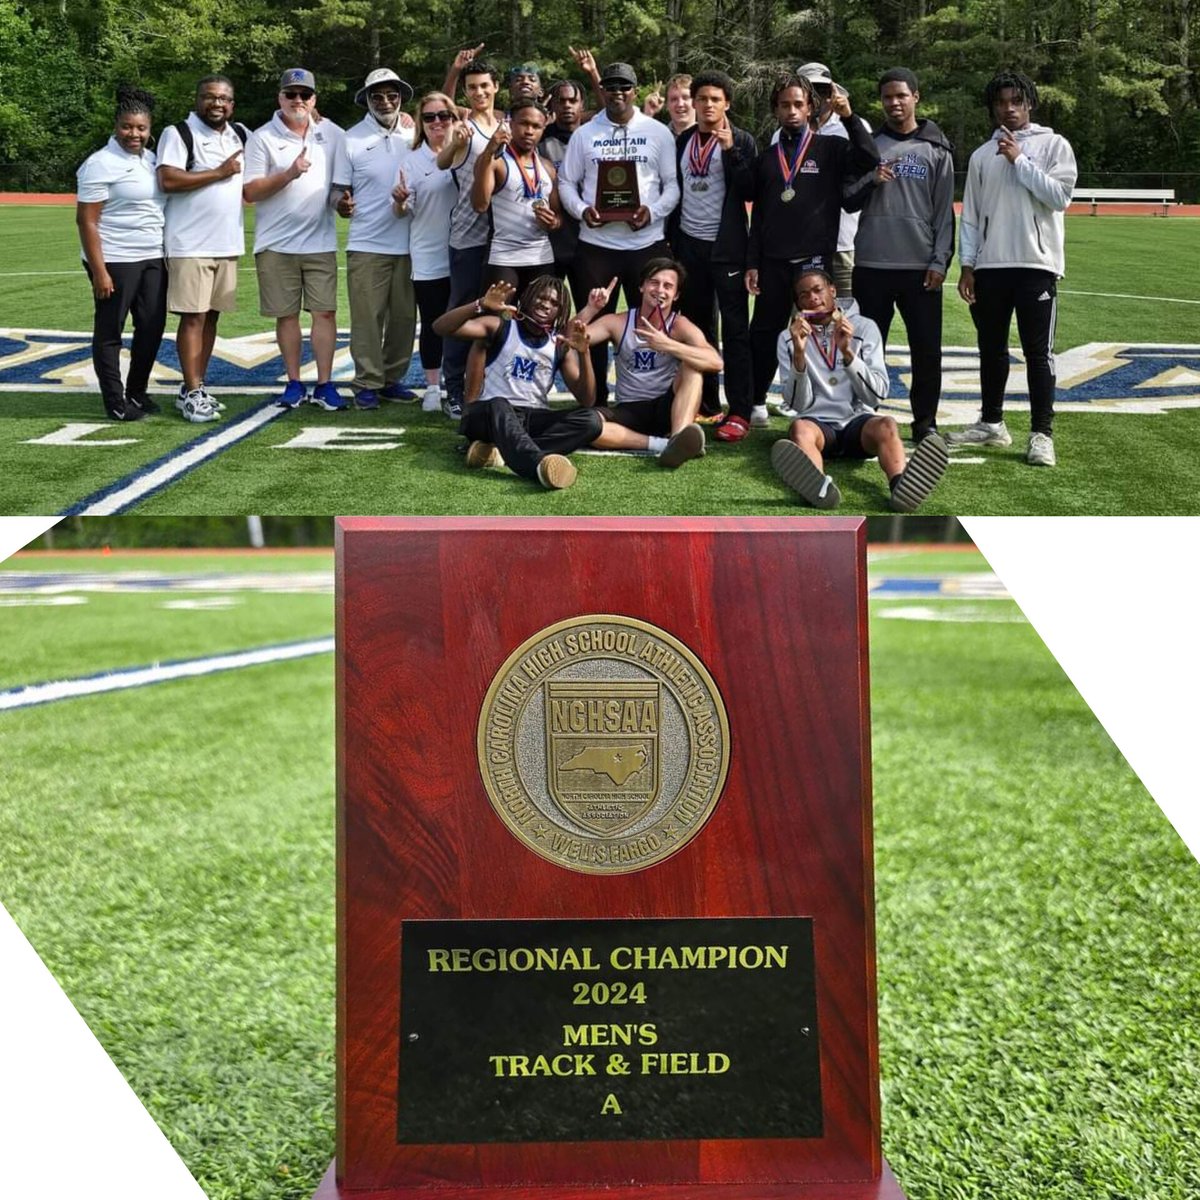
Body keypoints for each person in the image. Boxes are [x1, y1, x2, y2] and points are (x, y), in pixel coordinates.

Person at [951, 70, 1077, 467]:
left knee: (1038, 354)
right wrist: (968, 265)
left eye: (1016, 102)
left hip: (1036, 265)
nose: (1009, 109)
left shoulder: (1053, 145)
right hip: (990, 268)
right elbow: (970, 216)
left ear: (1029, 104)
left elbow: (1059, 197)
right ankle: (992, 424)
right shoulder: (980, 156)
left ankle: (1042, 433)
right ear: (992, 108)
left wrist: (1020, 160)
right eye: (1001, 103)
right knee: (991, 350)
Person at [745, 73, 877, 421]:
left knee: (823, 331)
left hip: (815, 262)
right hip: (774, 260)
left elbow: (868, 157)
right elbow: (760, 213)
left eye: (799, 104)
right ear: (776, 109)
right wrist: (752, 261)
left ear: (811, 108)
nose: (792, 111)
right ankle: (757, 400)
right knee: (765, 331)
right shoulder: (768, 157)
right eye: (785, 105)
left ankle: (822, 400)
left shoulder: (831, 148)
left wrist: (848, 117)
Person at [770, 269, 948, 512]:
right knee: (800, 429)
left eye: (817, 290)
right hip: (817, 426)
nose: (812, 298)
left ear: (832, 290)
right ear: (797, 303)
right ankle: (819, 488)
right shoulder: (788, 339)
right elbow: (798, 405)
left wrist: (848, 354)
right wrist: (799, 356)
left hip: (858, 424)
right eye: (803, 295)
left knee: (887, 424)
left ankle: (900, 486)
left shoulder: (864, 328)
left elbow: (876, 395)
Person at [558, 61, 681, 407]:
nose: (617, 93)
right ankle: (594, 402)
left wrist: (652, 212)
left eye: (624, 87)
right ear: (604, 91)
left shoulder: (657, 132)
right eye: (611, 87)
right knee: (593, 328)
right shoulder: (585, 133)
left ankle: (656, 397)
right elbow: (566, 182)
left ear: (635, 90)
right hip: (597, 246)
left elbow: (672, 186)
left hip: (647, 243)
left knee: (655, 323)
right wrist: (582, 210)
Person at [845, 67, 955, 444]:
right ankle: (861, 415)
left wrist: (940, 261)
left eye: (901, 96)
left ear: (915, 97)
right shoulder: (869, 145)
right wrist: (872, 178)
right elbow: (848, 198)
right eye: (888, 97)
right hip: (872, 264)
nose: (894, 103)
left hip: (919, 267)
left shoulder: (936, 147)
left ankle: (925, 421)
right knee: (865, 348)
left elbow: (944, 212)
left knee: (926, 350)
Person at [243, 68, 348, 411]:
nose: (298, 100)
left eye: (305, 95)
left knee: (326, 314)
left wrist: (341, 203)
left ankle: (325, 384)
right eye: (291, 94)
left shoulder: (332, 134)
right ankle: (293, 382)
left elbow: (339, 184)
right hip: (275, 244)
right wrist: (289, 173)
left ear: (314, 99)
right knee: (286, 316)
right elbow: (251, 191)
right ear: (280, 98)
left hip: (320, 242)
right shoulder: (262, 137)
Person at [433, 276, 601, 489]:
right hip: (486, 416)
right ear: (527, 298)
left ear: (560, 311)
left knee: (591, 420)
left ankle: (499, 452)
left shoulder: (558, 345)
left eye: (554, 303)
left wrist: (584, 354)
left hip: (530, 418)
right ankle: (537, 465)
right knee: (499, 403)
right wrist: (480, 305)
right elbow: (440, 327)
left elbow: (587, 399)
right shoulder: (499, 326)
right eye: (541, 297)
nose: (546, 304)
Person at [667, 69, 757, 437]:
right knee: (699, 329)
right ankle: (705, 404)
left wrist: (730, 150)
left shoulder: (743, 140)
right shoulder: (684, 139)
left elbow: (751, 190)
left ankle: (740, 411)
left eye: (714, 100)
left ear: (727, 104)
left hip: (728, 249)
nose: (706, 105)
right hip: (689, 247)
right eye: (701, 99)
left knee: (736, 331)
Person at [156, 74, 246, 424]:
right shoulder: (178, 133)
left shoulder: (240, 134)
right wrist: (219, 172)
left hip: (226, 242)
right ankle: (191, 391)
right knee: (193, 317)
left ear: (232, 104)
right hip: (189, 243)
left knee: (211, 316)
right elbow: (168, 179)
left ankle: (196, 385)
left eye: (223, 98)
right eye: (210, 97)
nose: (217, 104)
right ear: (197, 99)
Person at [75, 85, 167, 422]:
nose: (134, 134)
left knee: (152, 325)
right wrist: (100, 271)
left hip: (152, 255)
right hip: (115, 257)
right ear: (116, 125)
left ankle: (137, 392)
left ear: (149, 128)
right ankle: (115, 401)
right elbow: (86, 220)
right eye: (127, 127)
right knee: (111, 329)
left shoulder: (152, 159)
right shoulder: (99, 164)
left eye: (141, 128)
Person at [581, 257, 719, 468]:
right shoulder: (618, 322)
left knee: (693, 365)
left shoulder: (679, 325)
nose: (660, 290)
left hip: (668, 407)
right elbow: (570, 341)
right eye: (654, 282)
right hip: (630, 409)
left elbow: (715, 362)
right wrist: (591, 309)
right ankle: (664, 445)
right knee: (587, 426)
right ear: (642, 286)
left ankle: (678, 436)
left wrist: (668, 345)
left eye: (668, 286)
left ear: (676, 295)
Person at [337, 68, 419, 410]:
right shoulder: (350, 138)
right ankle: (367, 382)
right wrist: (341, 204)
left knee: (404, 319)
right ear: (366, 99)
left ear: (401, 97)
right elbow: (338, 192)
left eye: (392, 95)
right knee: (367, 319)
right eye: (377, 96)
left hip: (411, 242)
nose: (386, 101)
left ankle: (391, 379)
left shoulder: (415, 135)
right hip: (367, 243)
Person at [437, 56, 503, 418]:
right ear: (465, 91)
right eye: (472, 87)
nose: (479, 92)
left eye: (484, 86)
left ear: (495, 87)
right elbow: (443, 162)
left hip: (505, 236)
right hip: (469, 235)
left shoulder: (506, 122)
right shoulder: (463, 129)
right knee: (463, 311)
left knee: (498, 313)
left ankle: (489, 384)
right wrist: (452, 143)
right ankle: (454, 388)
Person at [397, 91, 458, 412]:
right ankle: (433, 386)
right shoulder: (412, 159)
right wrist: (399, 200)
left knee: (466, 323)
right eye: (430, 117)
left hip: (466, 253)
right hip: (428, 253)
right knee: (434, 322)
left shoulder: (467, 151)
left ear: (454, 118)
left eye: (444, 116)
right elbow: (404, 210)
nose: (437, 122)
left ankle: (460, 385)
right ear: (420, 122)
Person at [472, 99, 562, 294]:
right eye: (524, 123)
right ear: (510, 123)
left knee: (538, 321)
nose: (529, 131)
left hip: (541, 256)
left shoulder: (547, 167)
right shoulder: (496, 161)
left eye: (536, 126)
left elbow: (558, 218)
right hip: (504, 258)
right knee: (499, 320)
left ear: (543, 129)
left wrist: (552, 222)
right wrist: (489, 151)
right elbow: (479, 205)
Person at [541, 80, 586, 298]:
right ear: (553, 106)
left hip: (588, 241)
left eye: (573, 100)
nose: (567, 105)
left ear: (582, 105)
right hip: (551, 240)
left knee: (590, 311)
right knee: (545, 309)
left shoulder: (594, 138)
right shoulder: (539, 139)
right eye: (561, 101)